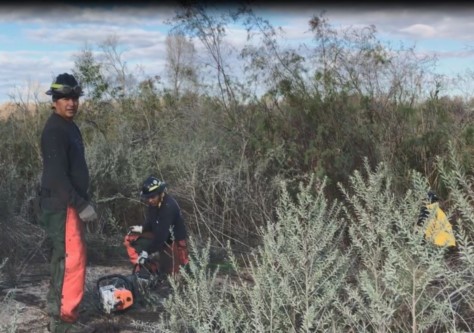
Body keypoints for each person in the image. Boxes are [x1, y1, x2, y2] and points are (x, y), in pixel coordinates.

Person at [39, 73, 97, 333]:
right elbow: (57, 177)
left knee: (63, 259)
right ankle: (64, 322)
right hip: (63, 207)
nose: (71, 102)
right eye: (64, 98)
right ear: (54, 101)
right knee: (71, 262)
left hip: (68, 204)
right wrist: (80, 204)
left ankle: (57, 310)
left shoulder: (69, 127)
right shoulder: (54, 130)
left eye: (74, 97)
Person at [124, 176, 189, 277]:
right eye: (148, 197)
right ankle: (145, 269)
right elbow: (151, 221)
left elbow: (162, 236)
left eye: (152, 197)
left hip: (173, 242)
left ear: (160, 193)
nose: (150, 200)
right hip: (159, 236)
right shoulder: (153, 204)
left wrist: (147, 252)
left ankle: (163, 270)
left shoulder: (169, 207)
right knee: (130, 237)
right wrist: (142, 228)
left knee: (176, 277)